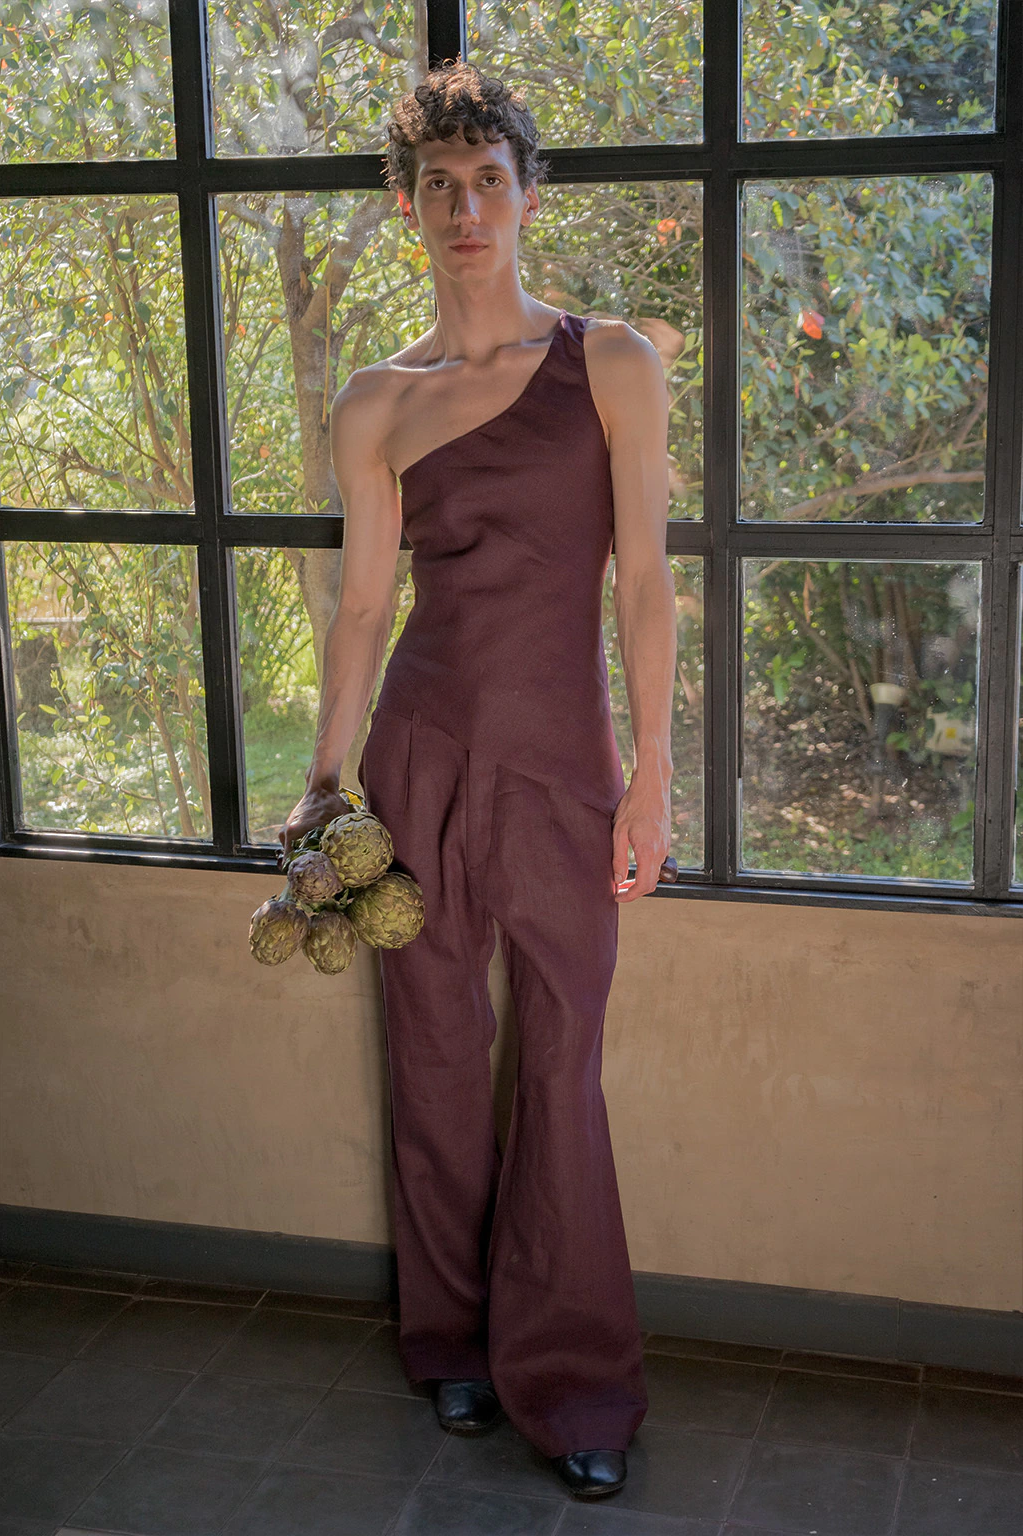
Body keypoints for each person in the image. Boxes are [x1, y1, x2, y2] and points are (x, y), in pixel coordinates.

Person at [279, 58, 676, 1499]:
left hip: (565, 762)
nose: (465, 209)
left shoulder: (611, 363)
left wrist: (652, 773)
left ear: (526, 196)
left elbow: (645, 586)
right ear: (409, 208)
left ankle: (575, 1388)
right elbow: (362, 610)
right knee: (436, 1048)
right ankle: (448, 1338)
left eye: (488, 182)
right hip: (420, 757)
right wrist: (327, 782)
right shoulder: (377, 403)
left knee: (560, 1062)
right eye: (438, 187)